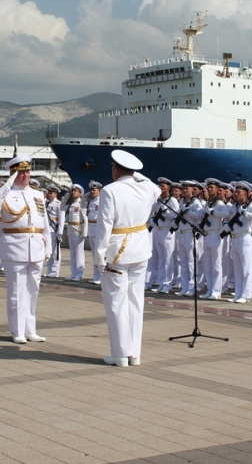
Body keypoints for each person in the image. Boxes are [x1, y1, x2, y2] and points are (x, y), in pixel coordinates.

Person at [93, 150, 160, 367]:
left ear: (115, 169)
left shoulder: (110, 191)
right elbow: (156, 188)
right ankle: (135, 354)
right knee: (135, 302)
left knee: (116, 303)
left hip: (117, 251)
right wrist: (139, 176)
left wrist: (99, 254)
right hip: (140, 250)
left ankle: (120, 354)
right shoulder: (147, 187)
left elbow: (104, 226)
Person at [0, 155, 51, 343]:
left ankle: (31, 329)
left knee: (33, 290)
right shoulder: (5, 193)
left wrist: (48, 246)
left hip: (36, 246)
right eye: (21, 173)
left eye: (28, 172)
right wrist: (7, 186)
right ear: (12, 174)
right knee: (16, 291)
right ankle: (17, 330)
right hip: (15, 247)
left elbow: (44, 222)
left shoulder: (37, 194)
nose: (26, 176)